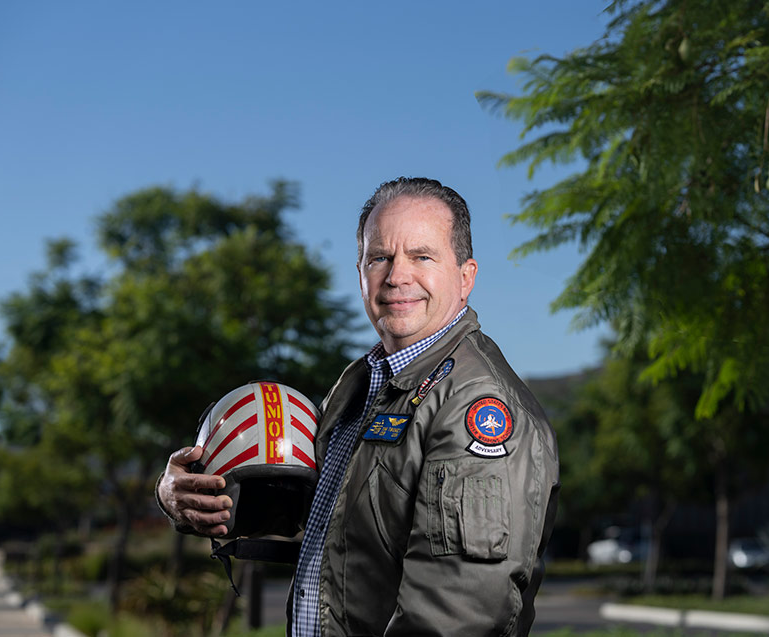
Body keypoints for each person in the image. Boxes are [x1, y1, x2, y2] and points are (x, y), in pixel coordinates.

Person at [157, 177, 560, 636]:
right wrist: (181, 496)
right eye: (380, 257)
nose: (396, 276)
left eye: (422, 256)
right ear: (361, 271)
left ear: (465, 277)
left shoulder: (476, 406)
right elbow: (306, 513)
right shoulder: (361, 385)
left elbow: (461, 614)